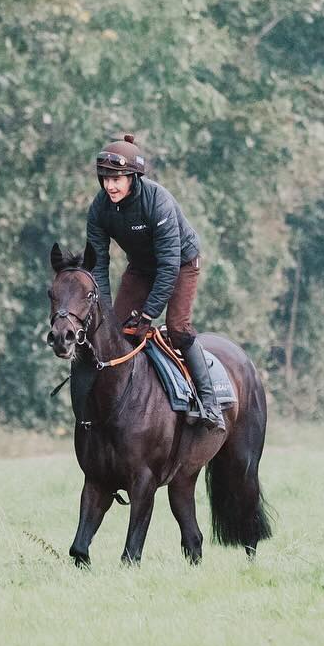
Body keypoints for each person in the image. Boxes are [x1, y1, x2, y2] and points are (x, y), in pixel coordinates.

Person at [86, 133, 224, 431]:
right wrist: (107, 313)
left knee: (178, 330)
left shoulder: (157, 201)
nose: (110, 185)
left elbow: (169, 267)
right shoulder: (99, 208)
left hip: (181, 263)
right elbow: (98, 266)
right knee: (114, 334)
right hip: (141, 268)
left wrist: (148, 315)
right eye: (105, 178)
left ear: (133, 177)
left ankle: (209, 403)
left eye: (117, 178)